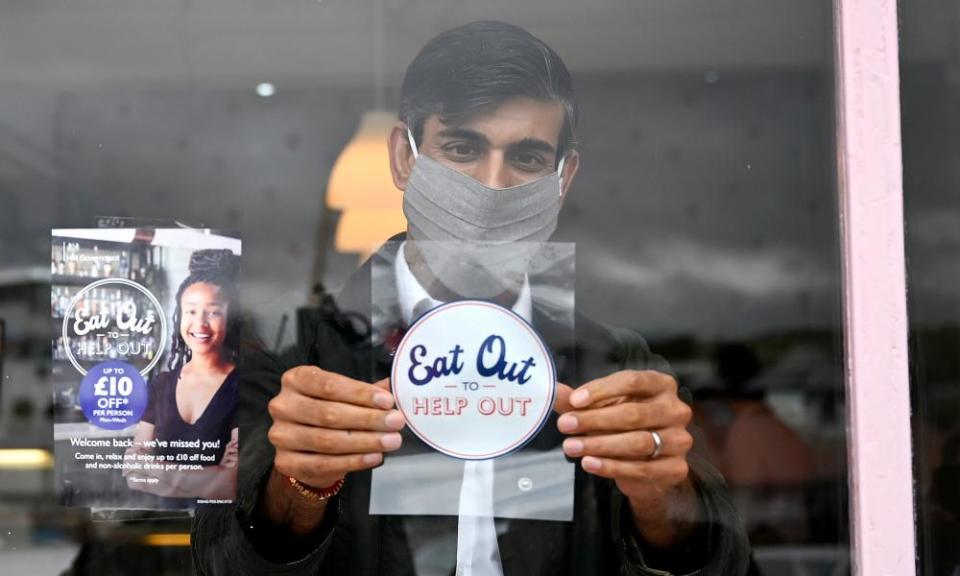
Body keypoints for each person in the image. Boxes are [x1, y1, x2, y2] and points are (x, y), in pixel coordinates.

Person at [193, 21, 750, 575]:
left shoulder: (614, 365)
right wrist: (299, 484)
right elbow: (219, 562)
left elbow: (726, 564)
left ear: (565, 176)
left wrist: (660, 495)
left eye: (527, 158)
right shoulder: (292, 352)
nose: (491, 185)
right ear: (404, 158)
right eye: (462, 147)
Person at [125, 249, 241, 504]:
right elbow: (132, 472)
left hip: (217, 528)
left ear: (230, 318)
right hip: (161, 521)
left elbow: (230, 485)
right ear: (179, 316)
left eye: (213, 312)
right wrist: (211, 476)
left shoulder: (243, 387)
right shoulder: (163, 383)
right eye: (190, 311)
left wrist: (154, 469)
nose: (200, 323)